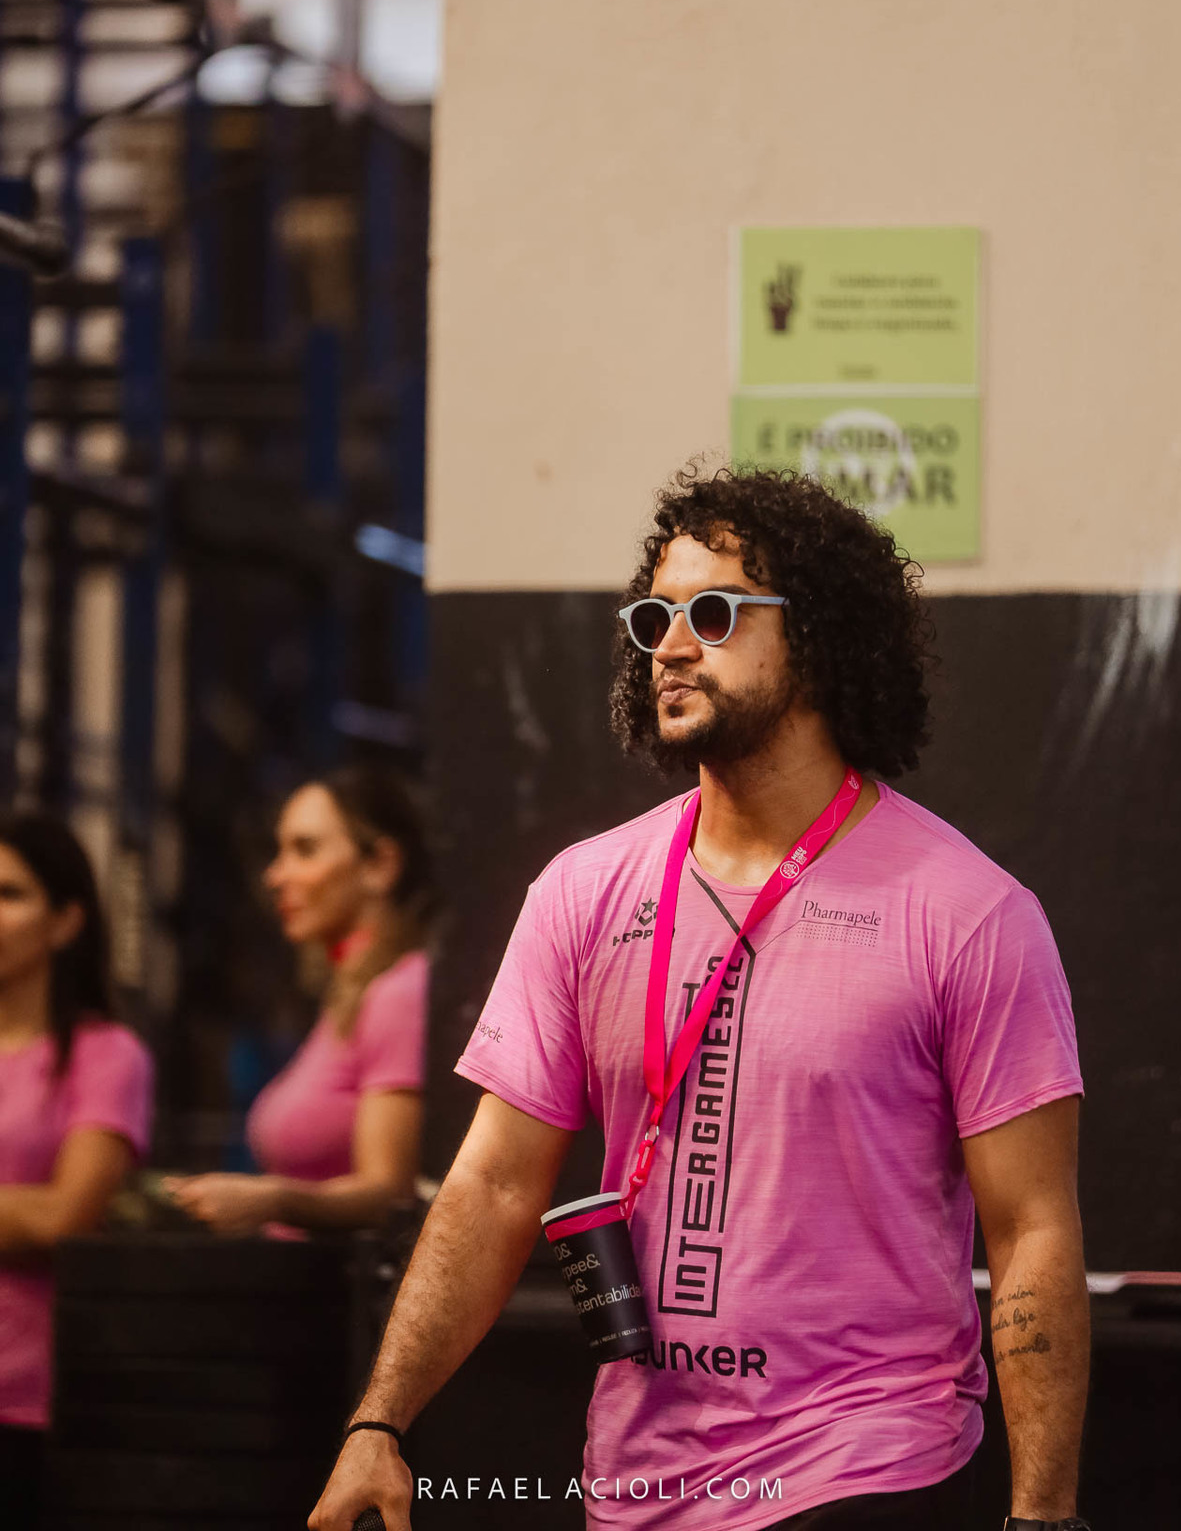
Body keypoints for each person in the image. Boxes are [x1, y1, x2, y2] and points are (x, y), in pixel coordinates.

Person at [309, 468, 1090, 1531]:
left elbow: (1032, 1226)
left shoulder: (967, 912)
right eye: (655, 619)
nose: (670, 647)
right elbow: (491, 1185)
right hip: (639, 1480)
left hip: (867, 1463)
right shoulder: (585, 892)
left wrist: (1044, 1516)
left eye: (714, 614)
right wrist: (379, 1423)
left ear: (818, 637)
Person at [167, 767, 432, 1235]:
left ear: (380, 865)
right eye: (280, 851)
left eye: (305, 850)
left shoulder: (399, 992)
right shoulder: (351, 995)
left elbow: (391, 1192)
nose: (275, 875)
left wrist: (271, 1200)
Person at [0, 811, 154, 1530]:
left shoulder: (107, 1055)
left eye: (9, 894)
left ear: (65, 922)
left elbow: (67, 1217)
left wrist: (42, 1214)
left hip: (24, 1404)